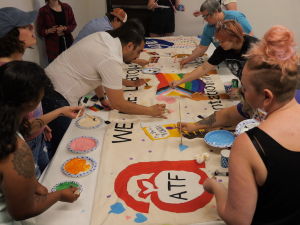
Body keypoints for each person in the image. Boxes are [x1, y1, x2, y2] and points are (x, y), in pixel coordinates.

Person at [201, 26, 300, 224]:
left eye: (244, 89)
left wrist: (215, 187)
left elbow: (238, 220)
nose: (242, 94)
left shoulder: (249, 145)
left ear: (266, 96)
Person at [43, 20, 167, 157]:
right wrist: (150, 110)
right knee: (62, 151)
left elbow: (95, 72)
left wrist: (102, 98)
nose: (138, 57)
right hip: (56, 96)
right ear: (129, 46)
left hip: (49, 86)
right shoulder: (111, 58)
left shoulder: (105, 37)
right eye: (138, 51)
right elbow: (118, 103)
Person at [0, 61, 82, 224]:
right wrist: (59, 195)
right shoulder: (16, 150)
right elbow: (22, 211)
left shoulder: (6, 121)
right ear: (31, 102)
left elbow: (26, 127)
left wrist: (60, 112)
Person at [170, 20, 259, 97]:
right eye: (218, 40)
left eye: (222, 41)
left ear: (234, 39)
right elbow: (203, 68)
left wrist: (242, 92)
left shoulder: (255, 49)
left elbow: (263, 80)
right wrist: (179, 82)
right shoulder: (223, 49)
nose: (219, 44)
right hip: (248, 89)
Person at [181, 0, 254, 67]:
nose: (205, 19)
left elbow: (250, 36)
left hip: (246, 57)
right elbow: (201, 48)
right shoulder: (208, 28)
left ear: (215, 12)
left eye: (206, 16)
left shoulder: (236, 17)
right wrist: (188, 59)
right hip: (227, 59)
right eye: (203, 16)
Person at [73, 12, 148, 67]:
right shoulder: (108, 34)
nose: (138, 56)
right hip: (78, 61)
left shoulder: (109, 27)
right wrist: (135, 61)